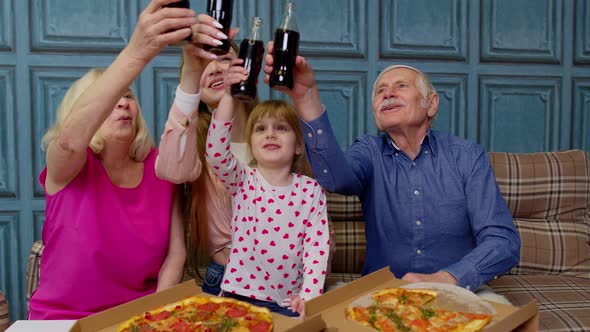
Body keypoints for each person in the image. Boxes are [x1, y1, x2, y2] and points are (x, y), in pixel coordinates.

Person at [262, 43, 521, 296]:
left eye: (401, 86)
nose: (388, 93)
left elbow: (503, 241)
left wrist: (449, 278)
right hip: (384, 293)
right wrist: (307, 97)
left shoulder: (467, 156)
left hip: (457, 291)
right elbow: (335, 178)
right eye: (380, 90)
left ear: (431, 104)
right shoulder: (369, 151)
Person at [28, 0, 193, 320]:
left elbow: (176, 254)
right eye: (111, 99)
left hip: (136, 316)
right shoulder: (68, 165)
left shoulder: (160, 166)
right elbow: (67, 140)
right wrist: (137, 52)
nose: (122, 104)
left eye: (128, 96)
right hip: (61, 319)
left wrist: (153, 318)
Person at [155, 15, 336, 296]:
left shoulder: (278, 137)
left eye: (225, 60)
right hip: (230, 281)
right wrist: (189, 88)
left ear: (246, 69)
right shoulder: (198, 144)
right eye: (204, 63)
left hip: (291, 286)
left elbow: (316, 226)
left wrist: (309, 286)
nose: (215, 69)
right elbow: (171, 171)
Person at [204, 59, 330, 317]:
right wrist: (228, 96)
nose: (270, 134)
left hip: (287, 303)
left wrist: (309, 297)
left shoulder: (310, 190)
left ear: (297, 145)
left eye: (281, 128)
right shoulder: (242, 179)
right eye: (261, 129)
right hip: (237, 295)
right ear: (251, 144)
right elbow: (216, 154)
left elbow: (317, 248)